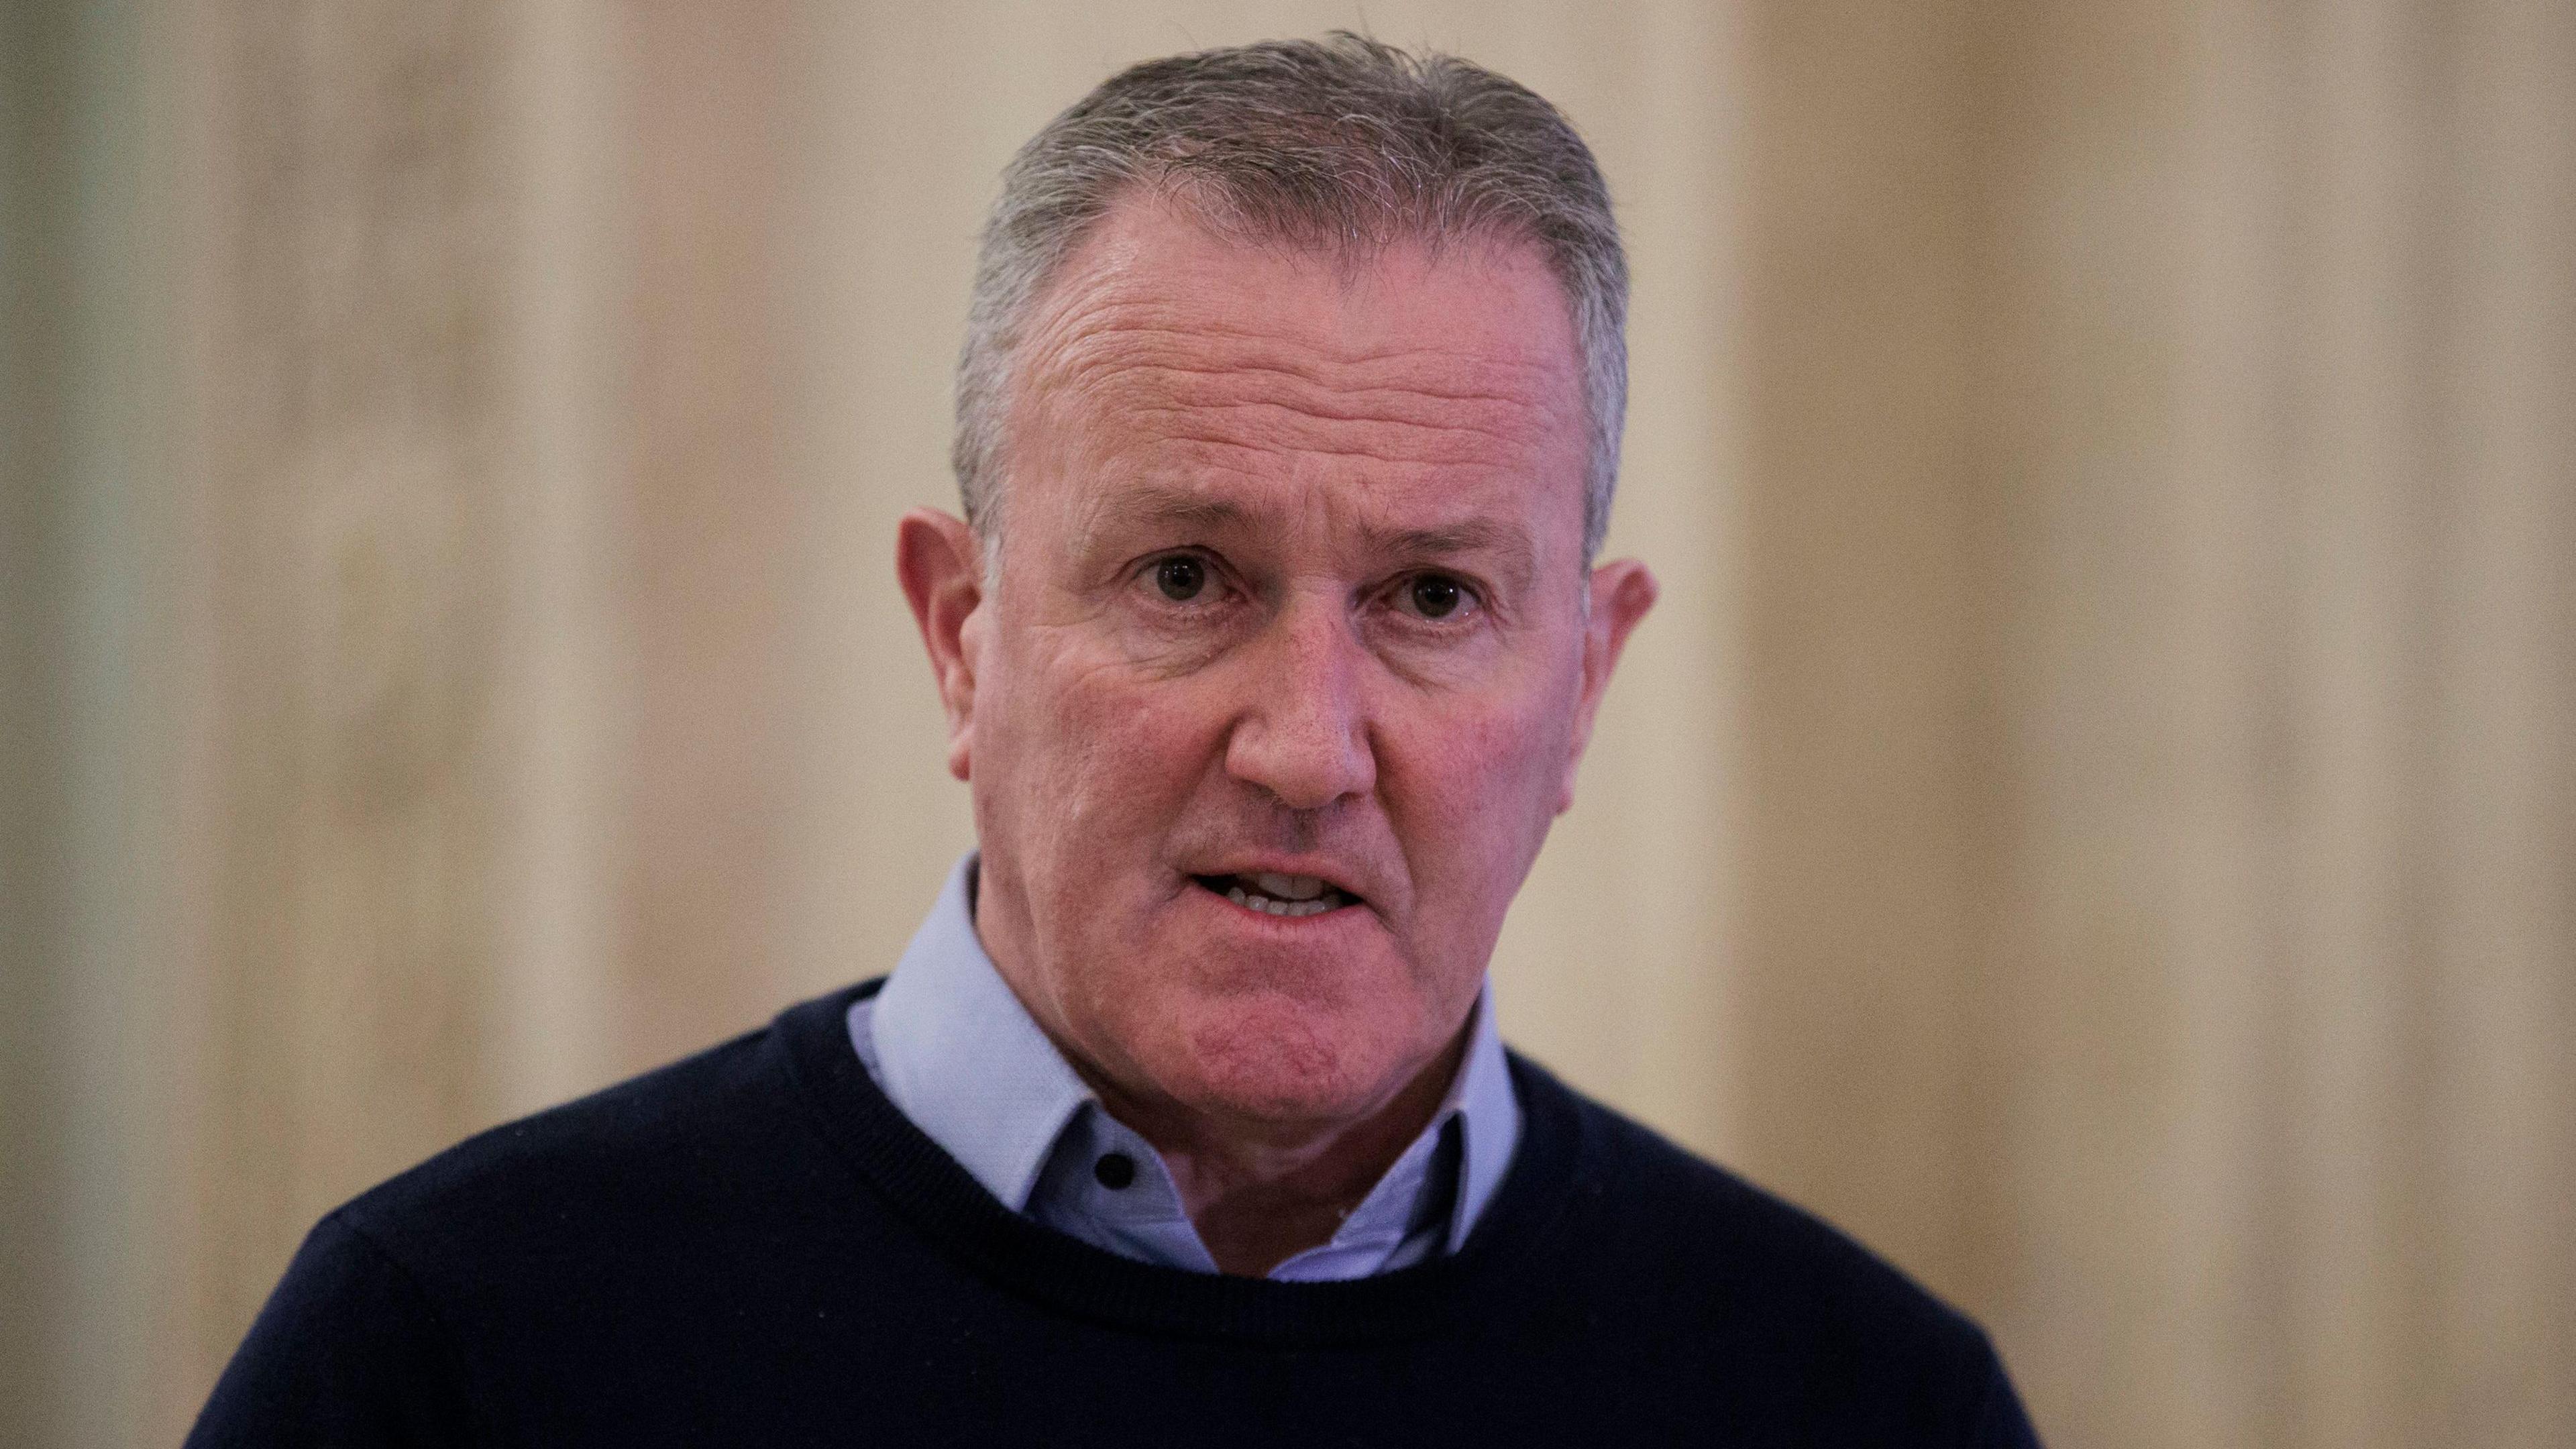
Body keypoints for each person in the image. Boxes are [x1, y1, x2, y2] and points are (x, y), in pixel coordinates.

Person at [191, 34, 2040, 1446]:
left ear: (1587, 685)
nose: (1309, 749)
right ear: (960, 634)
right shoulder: (453, 1351)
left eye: (1433, 600)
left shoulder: (1861, 1401)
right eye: (1185, 575)